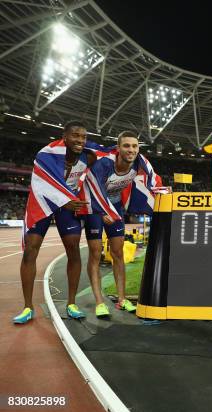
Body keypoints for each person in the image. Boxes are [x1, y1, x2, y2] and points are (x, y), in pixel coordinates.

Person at [13, 121, 96, 324]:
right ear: (65, 136)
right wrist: (65, 200)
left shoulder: (87, 157)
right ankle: (27, 307)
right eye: (75, 135)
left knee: (73, 249)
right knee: (30, 250)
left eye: (84, 136)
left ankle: (71, 303)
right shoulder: (46, 154)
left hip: (68, 206)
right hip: (42, 201)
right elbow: (40, 183)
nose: (80, 140)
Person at [83, 130, 160, 318]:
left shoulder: (140, 161)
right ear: (118, 148)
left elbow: (153, 180)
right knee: (95, 252)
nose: (131, 150)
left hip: (115, 205)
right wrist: (102, 212)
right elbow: (93, 189)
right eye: (126, 146)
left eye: (134, 146)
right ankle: (100, 302)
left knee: (118, 252)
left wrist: (161, 192)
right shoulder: (104, 164)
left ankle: (122, 299)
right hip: (94, 204)